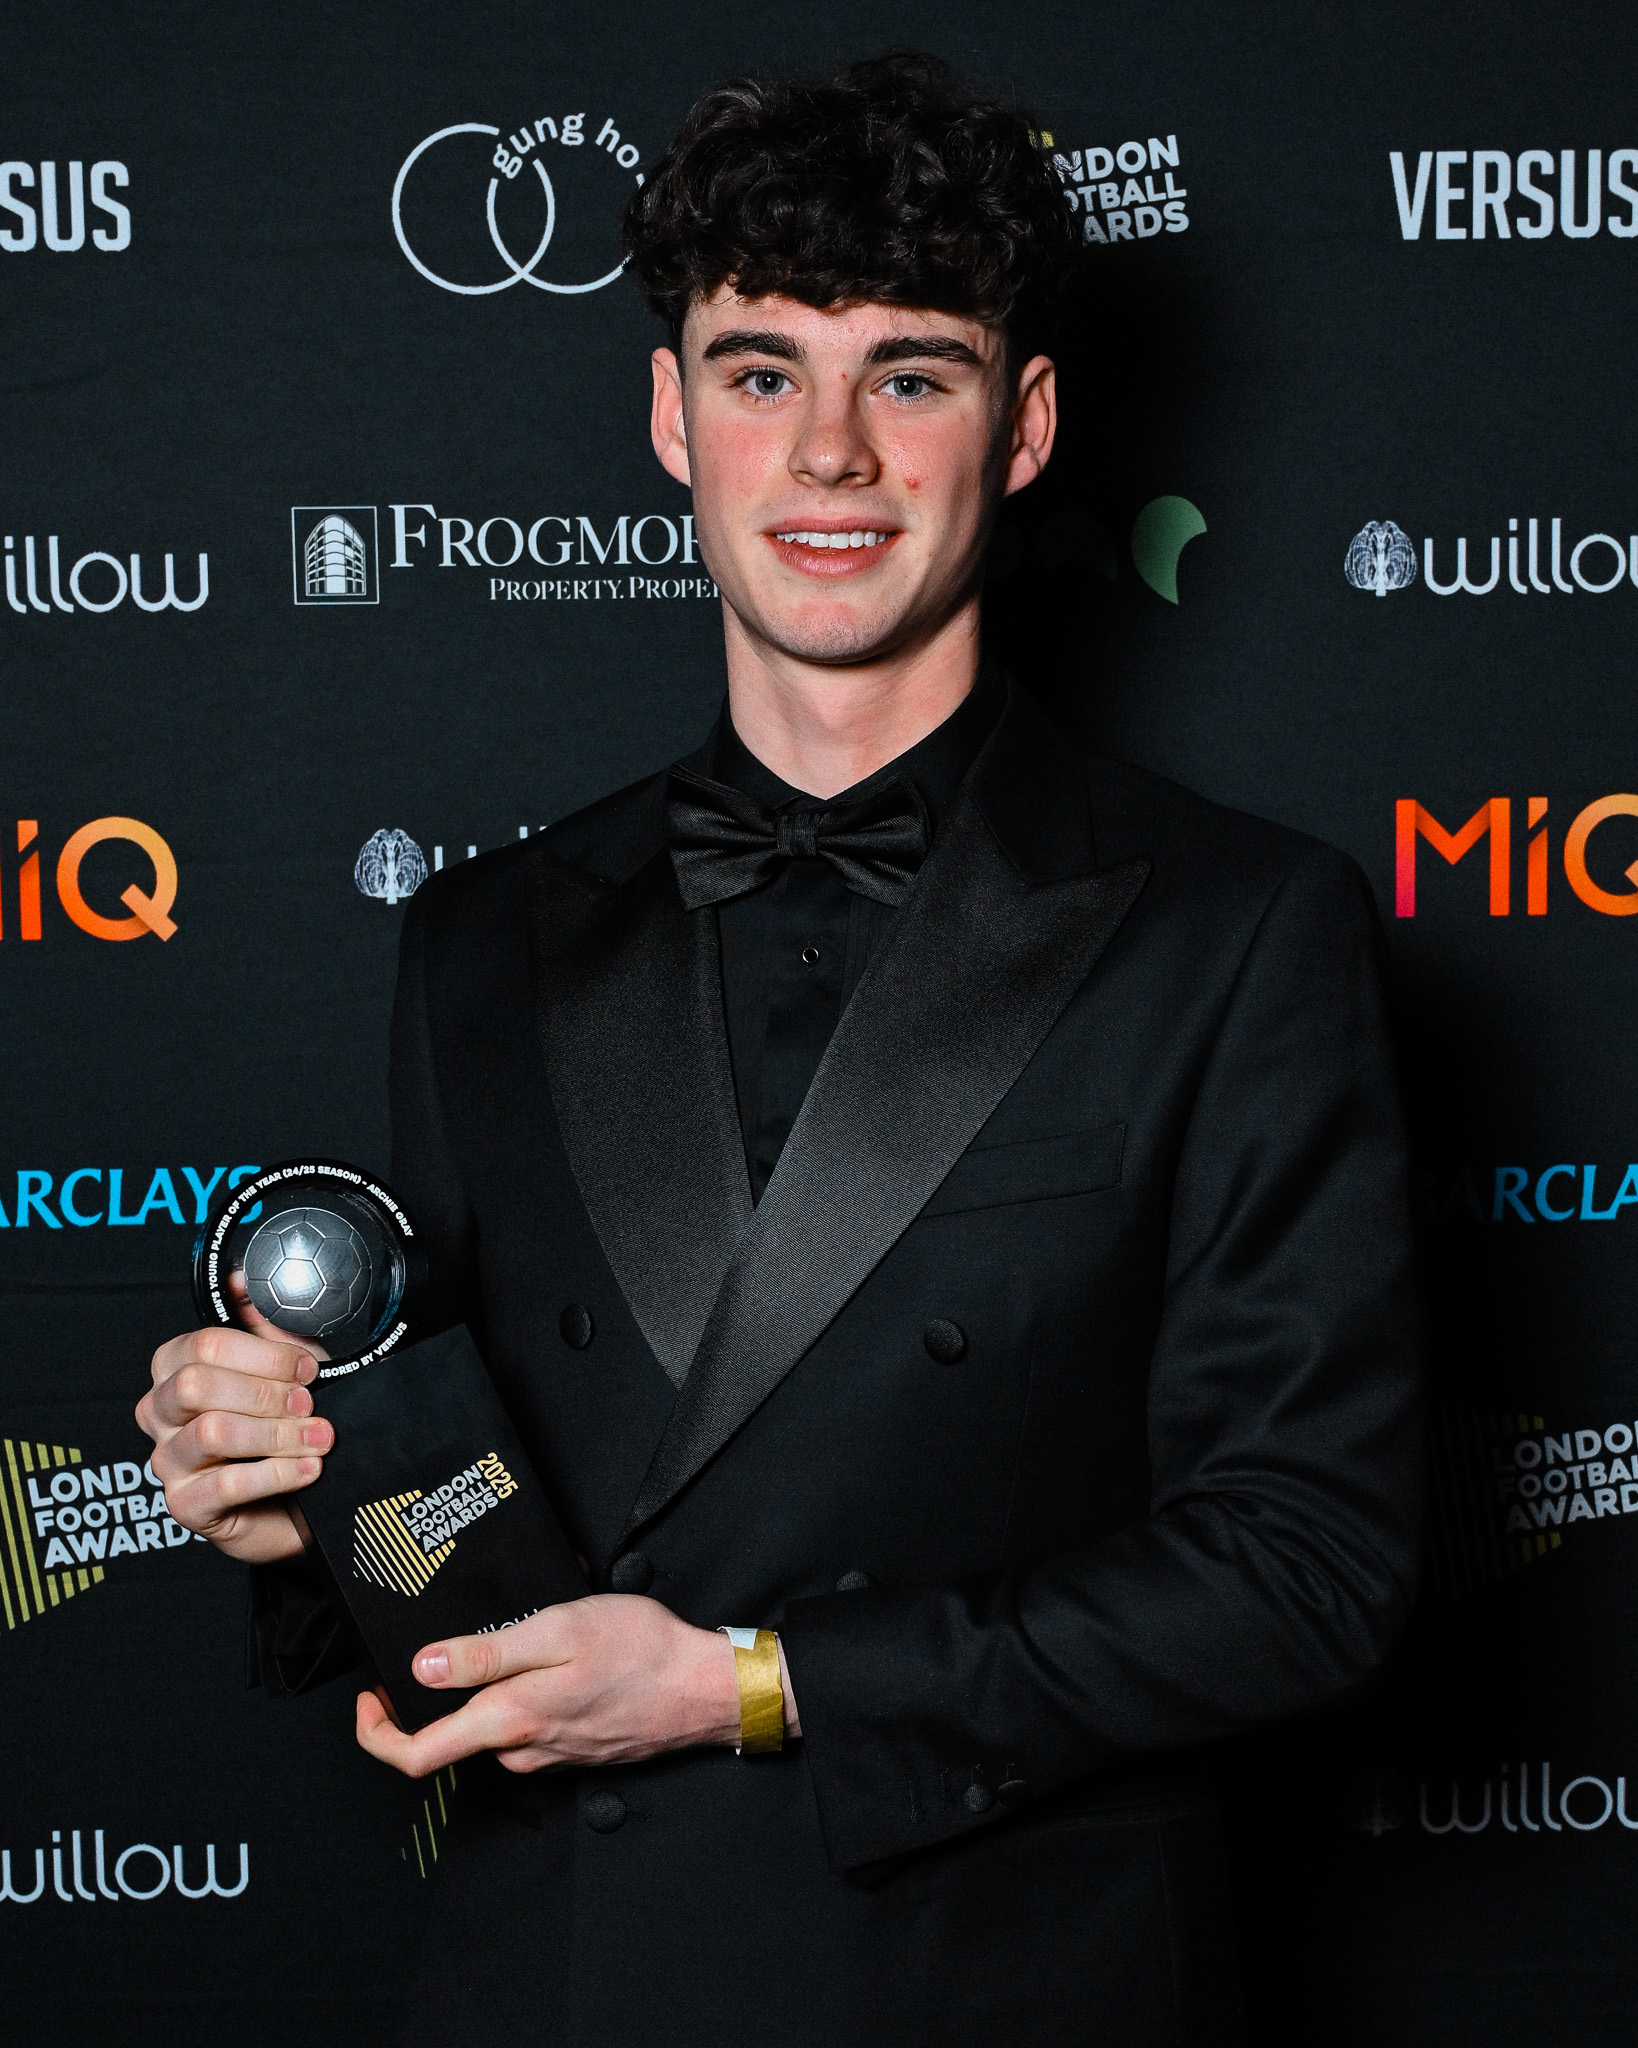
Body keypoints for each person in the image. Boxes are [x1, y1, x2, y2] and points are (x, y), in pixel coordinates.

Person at [135, 52, 1419, 2048]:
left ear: (1027, 427)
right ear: (671, 416)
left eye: (908, 373)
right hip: (565, 1982)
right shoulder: (481, 939)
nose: (830, 450)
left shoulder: (1241, 929)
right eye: (759, 370)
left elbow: (1308, 1566)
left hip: (1012, 1983)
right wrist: (297, 1500)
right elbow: (457, 1539)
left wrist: (751, 1681)